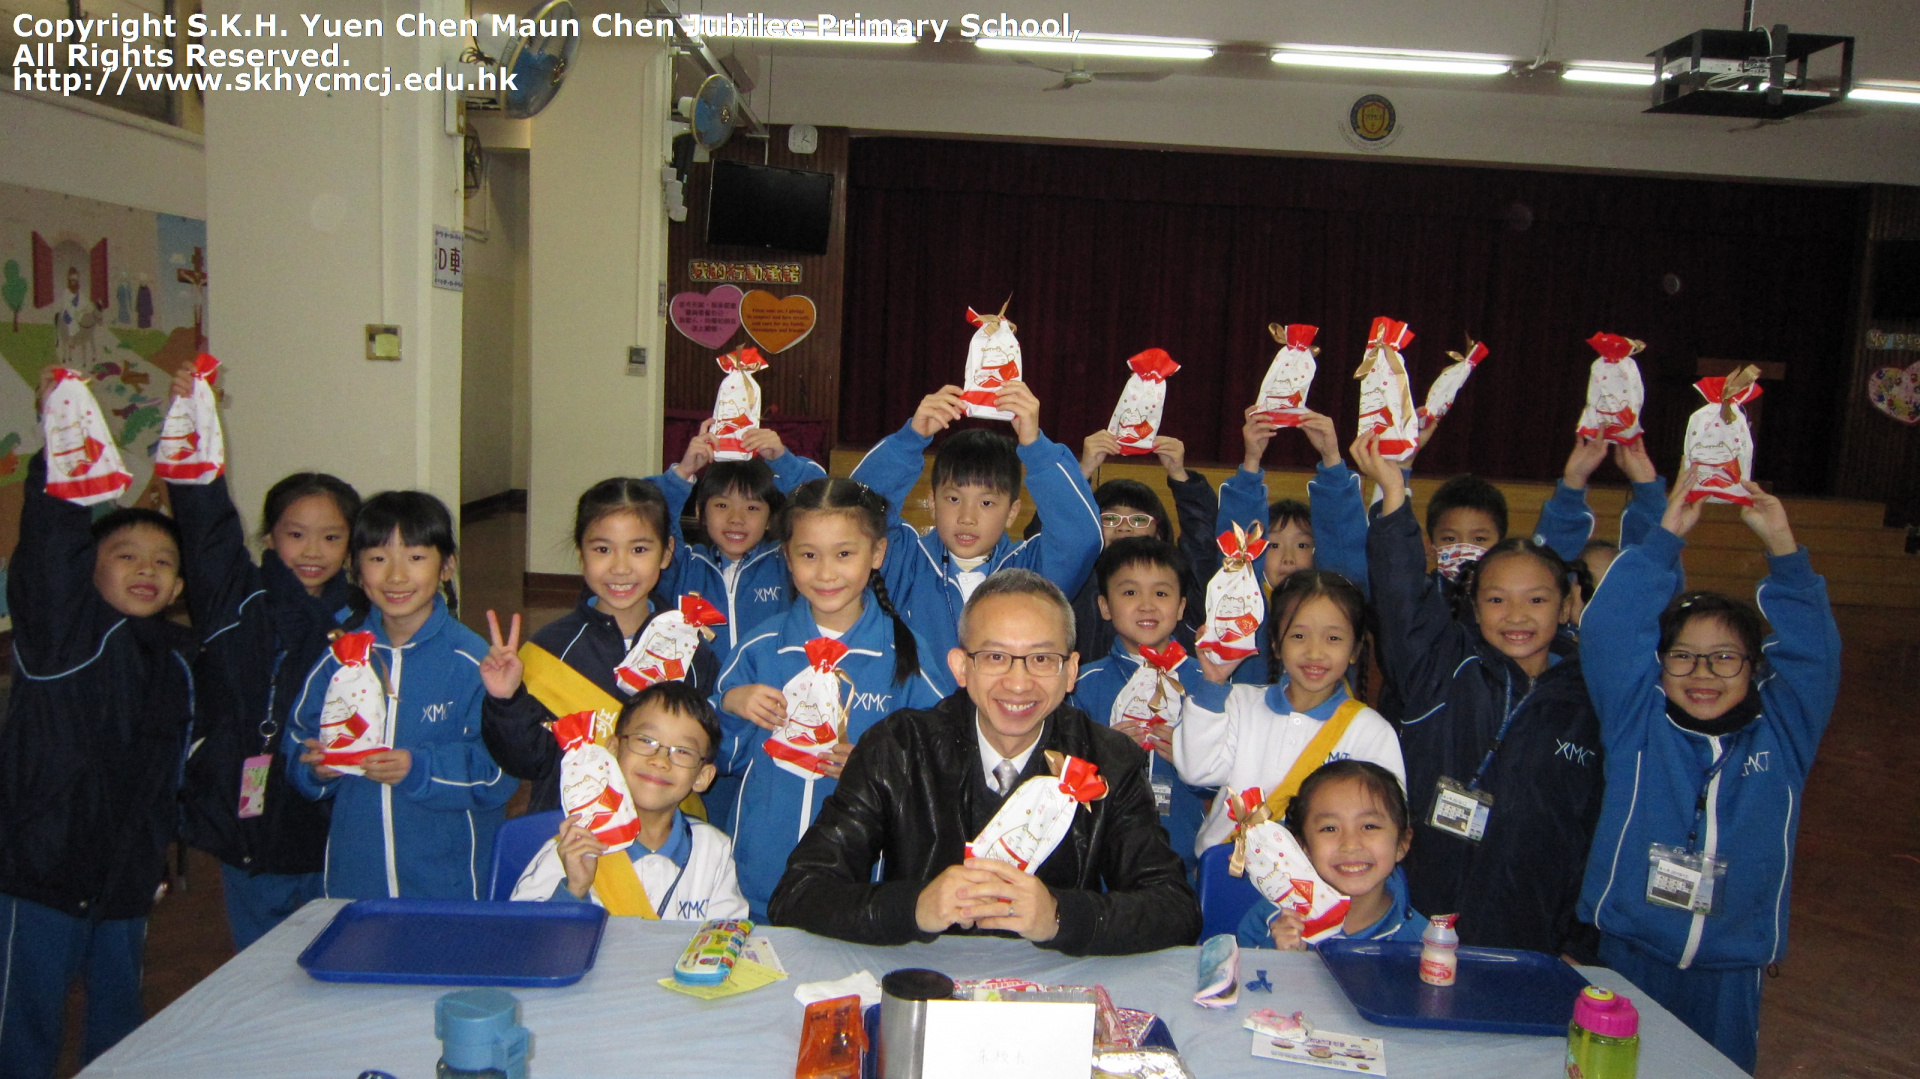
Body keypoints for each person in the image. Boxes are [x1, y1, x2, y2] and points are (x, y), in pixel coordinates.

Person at [768, 570, 1202, 955]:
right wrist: (916, 907)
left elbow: (1174, 908)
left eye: (1042, 659)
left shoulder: (1109, 759)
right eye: (995, 657)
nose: (1018, 683)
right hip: (924, 978)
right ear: (961, 667)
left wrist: (1058, 915)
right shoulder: (898, 747)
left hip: (1054, 989)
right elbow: (799, 893)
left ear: (1071, 672)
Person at [1578, 470, 1839, 1074]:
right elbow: (1609, 629)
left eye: (1724, 658)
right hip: (1629, 952)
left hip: (1729, 969)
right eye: (1684, 656)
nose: (1703, 674)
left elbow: (1817, 656)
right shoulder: (1637, 722)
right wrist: (1665, 535)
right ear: (1660, 664)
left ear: (1755, 667)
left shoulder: (1783, 733)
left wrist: (1783, 549)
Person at [0, 375, 198, 1077]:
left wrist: (162, 856)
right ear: (88, 571)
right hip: (42, 874)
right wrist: (60, 445)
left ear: (179, 587)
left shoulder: (177, 659)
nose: (147, 569)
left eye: (163, 562)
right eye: (126, 556)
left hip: (126, 880)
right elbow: (49, 548)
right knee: (23, 1023)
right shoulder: (63, 641)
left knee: (118, 1026)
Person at [1357, 430, 1603, 958]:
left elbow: (1591, 829)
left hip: (1531, 928)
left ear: (1565, 605)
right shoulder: (1442, 668)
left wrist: (1579, 937)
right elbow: (1400, 598)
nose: (1516, 616)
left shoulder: (1590, 698)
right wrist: (1395, 498)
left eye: (1536, 600)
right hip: (1422, 915)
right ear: (1473, 602)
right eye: (1496, 599)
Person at [715, 479, 952, 917]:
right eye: (809, 555)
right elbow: (718, 757)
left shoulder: (906, 656)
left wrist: (879, 768)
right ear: (787, 557)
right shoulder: (760, 648)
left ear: (877, 554)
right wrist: (730, 707)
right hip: (756, 881)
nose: (825, 573)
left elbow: (943, 758)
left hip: (857, 891)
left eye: (844, 554)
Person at [169, 425, 361, 950]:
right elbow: (205, 526)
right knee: (259, 959)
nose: (313, 551)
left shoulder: (362, 617)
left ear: (351, 544)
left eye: (332, 537)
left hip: (330, 821)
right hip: (251, 817)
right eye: (296, 534)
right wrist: (193, 421)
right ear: (270, 536)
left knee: (335, 947)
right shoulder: (237, 602)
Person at [286, 491, 514, 899]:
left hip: (450, 885)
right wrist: (315, 769)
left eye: (415, 557)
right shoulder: (340, 658)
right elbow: (298, 739)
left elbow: (499, 772)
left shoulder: (473, 662)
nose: (395, 576)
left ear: (446, 566)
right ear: (356, 570)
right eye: (378, 558)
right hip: (356, 880)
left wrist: (419, 768)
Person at [479, 478, 718, 814]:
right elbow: (527, 760)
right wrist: (506, 701)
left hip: (662, 834)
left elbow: (704, 750)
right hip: (571, 831)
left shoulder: (690, 651)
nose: (620, 568)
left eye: (639, 549)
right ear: (581, 553)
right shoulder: (549, 650)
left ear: (666, 553)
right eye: (603, 550)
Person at [852, 380, 1102, 659]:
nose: (967, 518)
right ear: (932, 503)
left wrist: (1036, 448)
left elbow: (1080, 537)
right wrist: (909, 440)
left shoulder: (1030, 572)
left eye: (986, 503)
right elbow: (854, 513)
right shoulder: (904, 559)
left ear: (1012, 513)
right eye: (953, 499)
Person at [1176, 568, 1404, 855]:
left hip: (1319, 877)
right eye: (1298, 635)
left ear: (1355, 650)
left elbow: (1386, 821)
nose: (1314, 652)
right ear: (1275, 644)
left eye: (1333, 638)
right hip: (1226, 870)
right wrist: (1213, 683)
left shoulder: (1371, 731)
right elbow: (1197, 772)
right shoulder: (1238, 703)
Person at [509, 682, 748, 920]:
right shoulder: (572, 849)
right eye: (646, 740)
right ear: (613, 750)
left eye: (683, 751)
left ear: (702, 776)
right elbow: (523, 936)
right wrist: (574, 889)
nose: (660, 760)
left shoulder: (713, 850)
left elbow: (729, 936)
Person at [1068, 537, 1212, 872]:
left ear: (1181, 606)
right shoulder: (1080, 684)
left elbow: (1229, 779)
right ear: (1105, 606)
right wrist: (1105, 757)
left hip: (1186, 859)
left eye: (1161, 593)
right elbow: (1063, 776)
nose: (1147, 605)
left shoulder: (1207, 683)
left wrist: (1192, 761)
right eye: (1130, 592)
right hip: (1102, 863)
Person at [651, 423, 827, 665]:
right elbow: (649, 518)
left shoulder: (786, 562)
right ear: (700, 511)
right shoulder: (684, 565)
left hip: (770, 688)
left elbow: (824, 507)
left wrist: (783, 461)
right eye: (722, 505)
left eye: (752, 508)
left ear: (770, 518)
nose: (736, 518)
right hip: (698, 689)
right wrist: (683, 472)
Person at [1219, 407, 1368, 684]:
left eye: (1302, 546)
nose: (1288, 558)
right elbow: (1237, 555)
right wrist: (1251, 461)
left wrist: (1331, 458)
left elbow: (1343, 544)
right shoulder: (1243, 608)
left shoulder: (1338, 602)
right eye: (1274, 546)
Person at [1237, 760, 1424, 950]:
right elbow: (1242, 967)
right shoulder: (1272, 919)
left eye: (1369, 826)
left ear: (1402, 844)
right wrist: (1281, 956)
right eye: (1329, 828)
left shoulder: (1424, 944)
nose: (1350, 845)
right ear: (1302, 847)